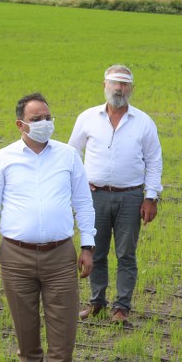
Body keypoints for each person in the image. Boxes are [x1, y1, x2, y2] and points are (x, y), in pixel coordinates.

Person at [0, 93, 96, 362]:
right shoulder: (2, 159)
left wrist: (88, 246)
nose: (45, 123)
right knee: (26, 333)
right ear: (21, 124)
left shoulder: (69, 156)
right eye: (37, 118)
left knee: (63, 331)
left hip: (60, 254)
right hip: (16, 256)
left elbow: (84, 203)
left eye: (48, 116)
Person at [69, 64, 163, 325]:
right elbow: (72, 154)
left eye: (124, 84)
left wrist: (151, 196)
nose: (119, 89)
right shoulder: (87, 118)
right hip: (94, 196)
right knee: (94, 250)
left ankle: (121, 307)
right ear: (104, 85)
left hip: (131, 196)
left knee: (126, 254)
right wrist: (78, 185)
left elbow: (154, 161)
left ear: (131, 88)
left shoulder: (143, 122)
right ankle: (97, 302)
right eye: (114, 83)